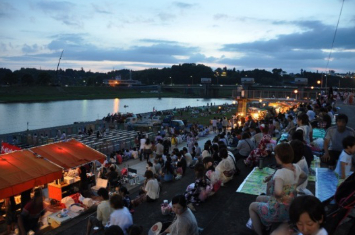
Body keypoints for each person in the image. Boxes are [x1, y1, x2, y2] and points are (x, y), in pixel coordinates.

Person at [248, 143, 307, 235]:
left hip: (277, 210)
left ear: (279, 157)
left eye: (275, 154)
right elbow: (304, 176)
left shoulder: (280, 173)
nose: (274, 156)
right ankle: (265, 225)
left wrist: (279, 191)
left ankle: (259, 233)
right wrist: (293, 187)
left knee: (252, 206)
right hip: (289, 207)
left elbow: (278, 192)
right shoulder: (296, 167)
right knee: (259, 198)